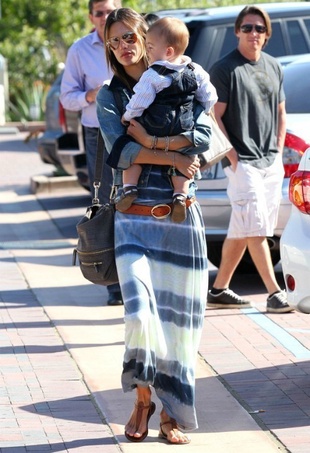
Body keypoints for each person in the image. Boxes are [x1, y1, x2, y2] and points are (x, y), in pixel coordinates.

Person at [96, 8, 212, 444]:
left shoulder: (183, 75)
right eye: (114, 41)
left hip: (181, 220)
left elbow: (204, 136)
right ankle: (142, 396)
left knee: (179, 326)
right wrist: (175, 156)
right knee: (141, 315)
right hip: (133, 219)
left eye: (129, 36)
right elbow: (121, 152)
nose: (124, 46)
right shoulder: (109, 96)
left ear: (146, 37)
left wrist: (159, 146)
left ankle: (170, 413)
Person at [208, 5, 293, 313]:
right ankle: (274, 293)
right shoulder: (225, 68)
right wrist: (232, 156)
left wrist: (279, 151)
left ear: (267, 34)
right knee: (255, 227)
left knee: (245, 226)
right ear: (237, 31)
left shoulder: (274, 66)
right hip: (242, 162)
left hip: (271, 162)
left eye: (259, 28)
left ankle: (218, 290)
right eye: (247, 28)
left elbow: (281, 112)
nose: (253, 33)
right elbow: (214, 117)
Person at [116, 16, 217, 222]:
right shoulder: (196, 70)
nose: (148, 51)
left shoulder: (153, 74)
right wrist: (203, 110)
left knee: (131, 150)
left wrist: (128, 116)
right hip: (184, 126)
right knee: (183, 158)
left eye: (151, 47)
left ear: (168, 52)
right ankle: (179, 194)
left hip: (155, 125)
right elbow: (210, 96)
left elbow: (140, 101)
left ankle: (129, 189)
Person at [60, 0, 123, 306]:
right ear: (90, 16)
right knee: (107, 204)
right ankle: (114, 284)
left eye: (110, 10)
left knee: (137, 198)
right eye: (99, 12)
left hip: (134, 130)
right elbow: (67, 98)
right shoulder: (80, 50)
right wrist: (91, 95)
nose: (105, 17)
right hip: (98, 134)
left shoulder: (133, 39)